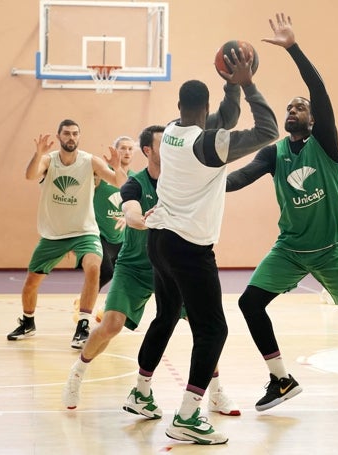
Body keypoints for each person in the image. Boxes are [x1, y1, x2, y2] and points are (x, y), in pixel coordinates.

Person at [226, 14, 338, 417]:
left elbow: (318, 89)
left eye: (300, 107)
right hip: (291, 249)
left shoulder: (326, 145)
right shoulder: (274, 153)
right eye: (289, 107)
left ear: (314, 119)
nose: (293, 109)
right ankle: (281, 378)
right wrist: (201, 182)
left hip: (333, 248)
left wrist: (292, 49)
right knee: (249, 304)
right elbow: (238, 179)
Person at [124, 52, 278, 445]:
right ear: (204, 109)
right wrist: (246, 83)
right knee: (213, 330)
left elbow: (224, 119)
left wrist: (229, 83)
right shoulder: (207, 145)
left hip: (158, 239)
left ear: (180, 107)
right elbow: (267, 130)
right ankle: (188, 416)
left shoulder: (176, 130)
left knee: (166, 316)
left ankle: (141, 393)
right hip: (188, 247)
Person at [62, 126, 240, 418]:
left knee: (204, 328)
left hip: (172, 269)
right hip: (134, 268)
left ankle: (216, 393)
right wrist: (147, 220)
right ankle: (77, 373)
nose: (171, 148)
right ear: (148, 151)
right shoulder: (134, 183)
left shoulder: (180, 183)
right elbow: (131, 215)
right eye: (163, 144)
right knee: (111, 326)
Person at [7, 119, 128, 349]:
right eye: (66, 134)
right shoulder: (48, 160)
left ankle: (82, 326)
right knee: (31, 282)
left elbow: (120, 183)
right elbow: (30, 175)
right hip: (53, 233)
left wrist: (117, 166)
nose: (71, 137)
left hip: (84, 230)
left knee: (94, 266)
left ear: (79, 137)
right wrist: (38, 153)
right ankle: (28, 322)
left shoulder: (89, 161)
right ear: (59, 136)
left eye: (75, 134)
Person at [93, 135, 135, 289]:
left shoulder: (136, 178)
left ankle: (112, 309)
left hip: (122, 238)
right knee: (105, 272)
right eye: (122, 148)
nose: (127, 152)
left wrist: (128, 217)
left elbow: (140, 206)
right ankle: (83, 304)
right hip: (99, 233)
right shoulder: (101, 174)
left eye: (130, 149)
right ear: (115, 151)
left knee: (124, 277)